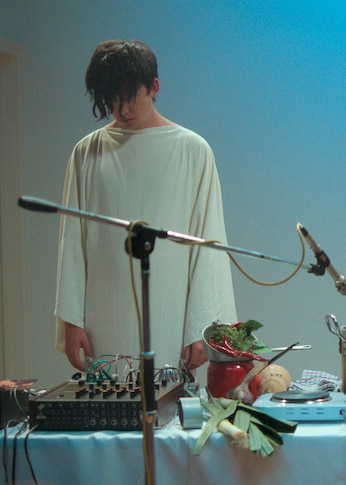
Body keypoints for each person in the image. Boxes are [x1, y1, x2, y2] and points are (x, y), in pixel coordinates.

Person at [54, 40, 237, 376]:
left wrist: (202, 327)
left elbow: (208, 242)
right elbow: (72, 246)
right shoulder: (86, 153)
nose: (121, 108)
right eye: (112, 98)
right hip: (103, 316)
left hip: (171, 314)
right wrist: (71, 322)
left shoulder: (193, 150)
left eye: (129, 95)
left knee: (168, 408)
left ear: (154, 87)